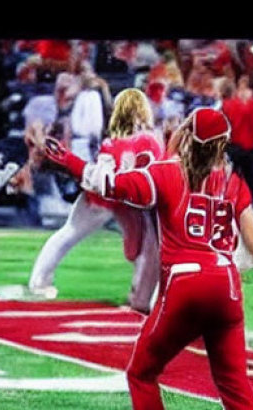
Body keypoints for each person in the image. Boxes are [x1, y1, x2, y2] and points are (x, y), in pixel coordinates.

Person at [44, 106, 253, 410]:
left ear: (187, 136)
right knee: (234, 384)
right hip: (226, 286)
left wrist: (71, 162)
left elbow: (112, 185)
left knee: (141, 373)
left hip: (185, 283)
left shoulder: (167, 172)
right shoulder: (233, 182)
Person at [28, 88, 163, 313]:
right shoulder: (151, 140)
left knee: (68, 234)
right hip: (132, 199)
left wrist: (73, 164)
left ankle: (39, 282)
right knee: (149, 249)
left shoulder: (112, 142)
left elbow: (103, 176)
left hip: (107, 194)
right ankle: (141, 298)